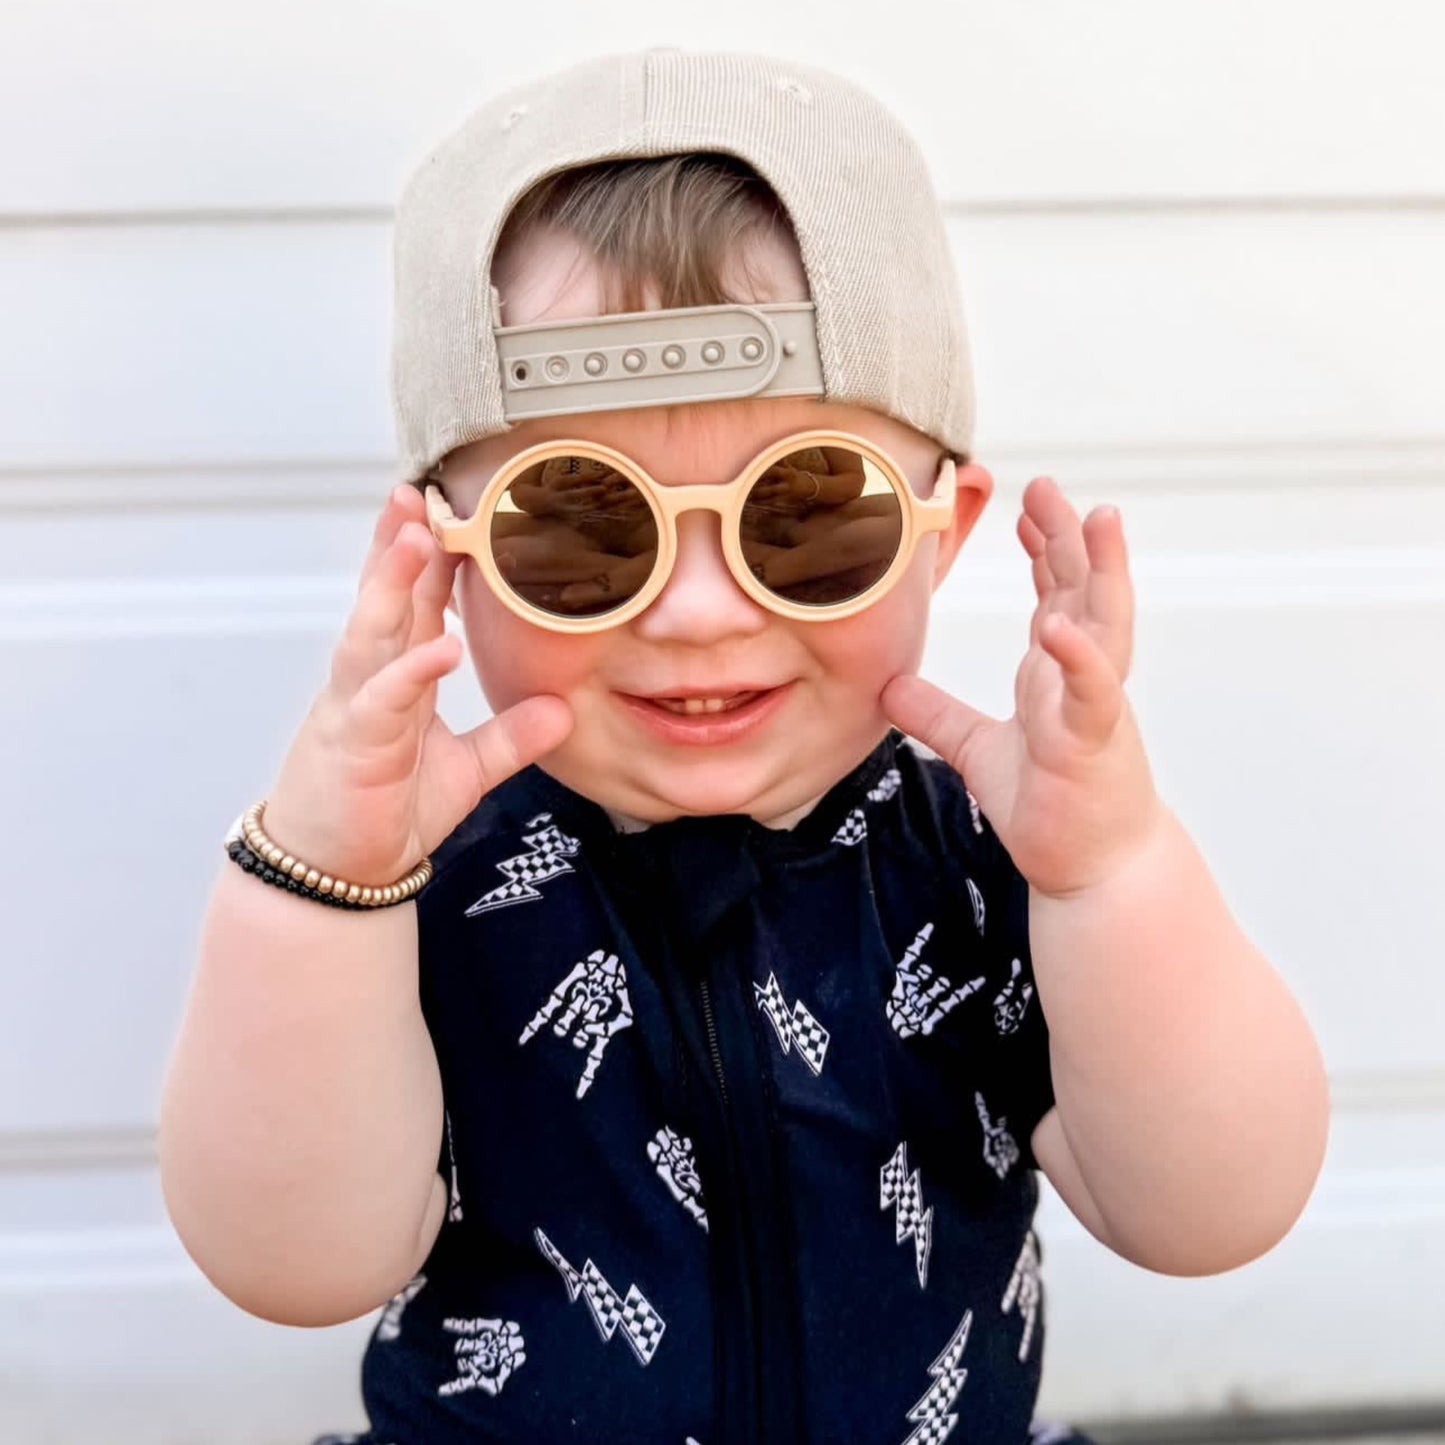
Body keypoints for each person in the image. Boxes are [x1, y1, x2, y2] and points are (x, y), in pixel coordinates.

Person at [157, 48, 1330, 1445]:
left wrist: (1113, 873)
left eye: (805, 514)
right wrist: (312, 885)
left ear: (942, 534)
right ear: (445, 561)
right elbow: (291, 1265)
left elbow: (1210, 1213)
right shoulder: (409, 883)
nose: (700, 612)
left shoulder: (991, 851)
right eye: (583, 525)